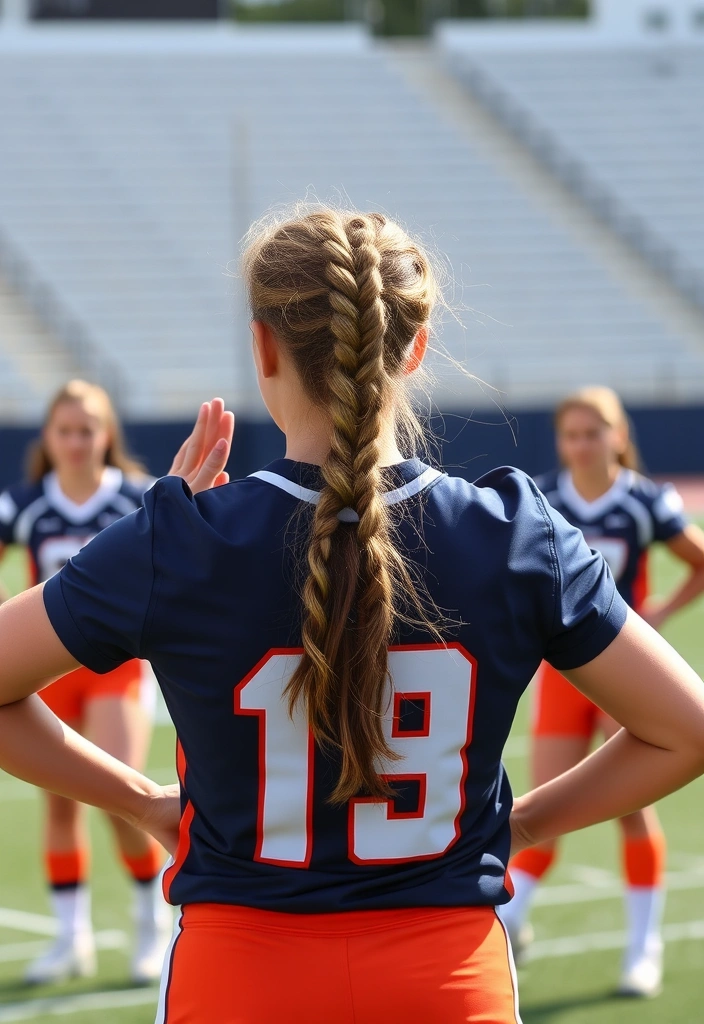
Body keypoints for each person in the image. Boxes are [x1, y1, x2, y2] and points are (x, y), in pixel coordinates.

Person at [0, 210, 702, 1024]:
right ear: (416, 347)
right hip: (446, 977)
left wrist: (142, 803)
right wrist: (526, 821)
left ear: (262, 349)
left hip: (240, 975)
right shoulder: (515, 533)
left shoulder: (180, 542)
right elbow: (683, 730)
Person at [499, 386, 704, 998]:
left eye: (594, 433)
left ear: (617, 435)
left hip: (624, 677)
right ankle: (509, 922)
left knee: (631, 808)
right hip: (565, 677)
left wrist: (659, 612)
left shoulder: (645, 501)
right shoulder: (544, 498)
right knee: (545, 807)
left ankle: (644, 942)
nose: (582, 445)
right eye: (571, 434)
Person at [0, 380, 172, 986]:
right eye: (65, 430)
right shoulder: (23, 504)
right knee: (58, 800)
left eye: (88, 429)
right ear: (48, 437)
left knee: (119, 794)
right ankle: (70, 939)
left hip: (113, 668)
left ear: (107, 436)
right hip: (48, 671)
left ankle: (152, 927)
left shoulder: (135, 498)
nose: (76, 442)